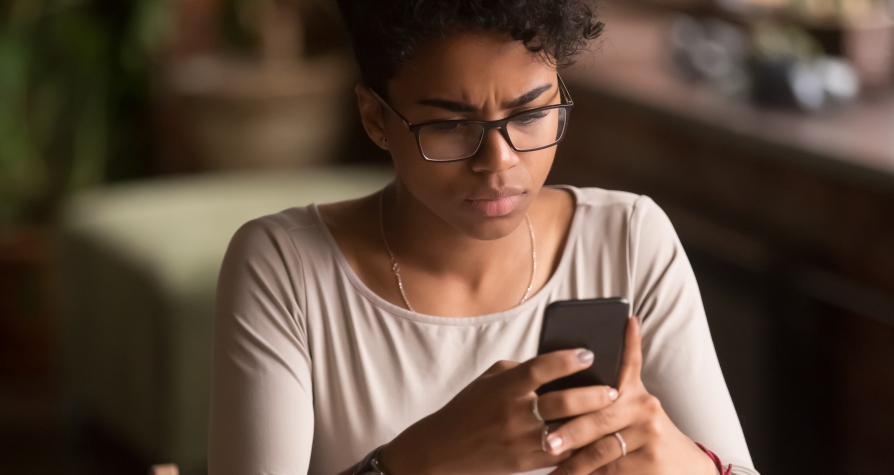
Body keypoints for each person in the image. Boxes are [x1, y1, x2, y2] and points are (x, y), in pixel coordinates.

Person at [208, 1, 757, 474]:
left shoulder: (629, 239)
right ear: (376, 118)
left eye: (531, 114)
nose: (499, 161)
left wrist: (681, 458)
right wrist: (417, 461)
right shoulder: (286, 267)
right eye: (449, 125)